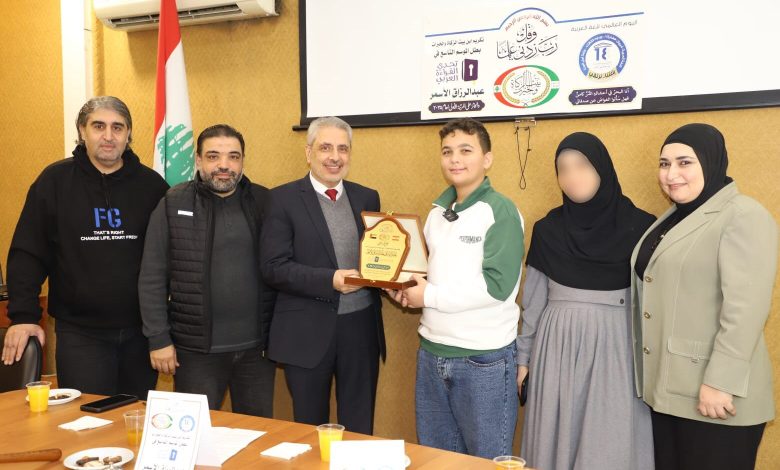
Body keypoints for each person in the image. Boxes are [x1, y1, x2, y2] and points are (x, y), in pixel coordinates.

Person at [631, 123, 777, 470]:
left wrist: (720, 382)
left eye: (685, 162)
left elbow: (745, 310)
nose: (671, 174)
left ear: (711, 162)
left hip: (714, 396)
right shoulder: (674, 217)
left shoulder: (743, 215)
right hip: (670, 391)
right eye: (664, 164)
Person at [2, 96, 169, 398]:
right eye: (98, 126)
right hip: (81, 335)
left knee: (135, 417)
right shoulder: (54, 181)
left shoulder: (152, 187)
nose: (109, 136)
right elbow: (28, 254)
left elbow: (172, 256)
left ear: (129, 134)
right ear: (82, 131)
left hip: (141, 334)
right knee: (85, 421)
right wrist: (24, 316)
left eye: (118, 127)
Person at [517, 132, 655, 470]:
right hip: (556, 349)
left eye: (581, 166)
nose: (572, 177)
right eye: (563, 169)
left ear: (602, 169)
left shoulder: (643, 228)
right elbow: (533, 302)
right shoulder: (547, 229)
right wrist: (524, 360)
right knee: (554, 442)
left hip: (617, 349)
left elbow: (653, 306)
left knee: (609, 443)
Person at [388, 118, 524, 459]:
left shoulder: (501, 211)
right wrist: (404, 289)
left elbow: (497, 287)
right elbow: (431, 275)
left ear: (487, 159)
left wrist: (428, 296)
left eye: (466, 150)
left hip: (483, 360)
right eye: (447, 151)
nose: (455, 159)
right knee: (437, 461)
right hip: (431, 353)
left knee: (487, 462)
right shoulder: (437, 213)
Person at [138, 124, 276, 415]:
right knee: (195, 434)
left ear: (242, 161)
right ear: (199, 160)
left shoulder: (264, 202)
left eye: (233, 157)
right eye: (213, 156)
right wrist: (159, 339)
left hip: (257, 352)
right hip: (196, 353)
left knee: (258, 434)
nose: (224, 165)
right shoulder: (173, 203)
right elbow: (151, 277)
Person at [260, 116, 384, 434]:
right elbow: (273, 267)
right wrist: (330, 280)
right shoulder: (281, 199)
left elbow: (379, 258)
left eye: (343, 149)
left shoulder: (367, 197)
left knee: (359, 426)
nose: (335, 157)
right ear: (308, 152)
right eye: (326, 147)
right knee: (310, 428)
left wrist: (392, 280)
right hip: (306, 332)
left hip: (361, 329)